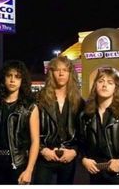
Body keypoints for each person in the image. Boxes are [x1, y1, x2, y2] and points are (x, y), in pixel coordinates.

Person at [0, 60, 40, 185]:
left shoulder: (30, 107)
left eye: (17, 77)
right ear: (3, 78)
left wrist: (29, 170)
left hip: (17, 165)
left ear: (22, 81)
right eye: (9, 75)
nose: (12, 80)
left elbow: (35, 141)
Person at [78, 67, 119, 184]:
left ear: (115, 88)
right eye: (101, 81)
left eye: (110, 82)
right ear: (95, 86)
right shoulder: (85, 115)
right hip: (95, 172)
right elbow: (81, 142)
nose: (104, 85)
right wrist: (84, 159)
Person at [34, 56, 84, 184]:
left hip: (68, 156)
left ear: (70, 73)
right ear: (51, 73)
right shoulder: (39, 99)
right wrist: (42, 150)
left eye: (65, 70)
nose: (61, 73)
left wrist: (74, 151)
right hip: (45, 156)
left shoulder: (79, 102)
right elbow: (29, 129)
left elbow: (84, 132)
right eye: (57, 70)